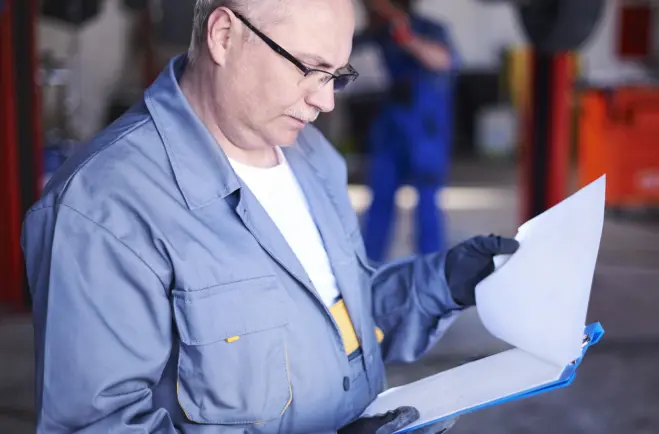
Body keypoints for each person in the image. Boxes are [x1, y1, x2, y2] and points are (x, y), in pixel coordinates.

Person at [21, 0, 519, 432]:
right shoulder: (104, 209)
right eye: (309, 68)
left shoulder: (314, 158)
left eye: (336, 76)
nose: (324, 100)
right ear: (223, 35)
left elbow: (341, 321)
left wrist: (445, 282)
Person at [356, 0, 459, 263]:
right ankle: (369, 268)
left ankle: (431, 270)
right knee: (380, 198)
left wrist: (409, 39)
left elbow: (444, 60)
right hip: (392, 123)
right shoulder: (378, 32)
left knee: (427, 201)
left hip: (425, 126)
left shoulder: (429, 29)